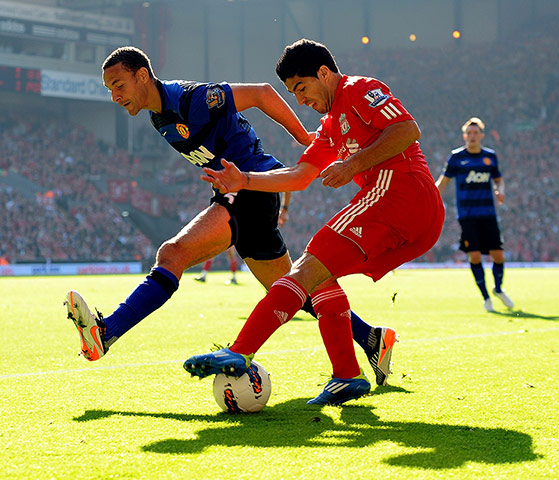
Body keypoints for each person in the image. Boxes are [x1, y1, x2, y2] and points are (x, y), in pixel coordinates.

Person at [64, 46, 388, 383]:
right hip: (243, 194)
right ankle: (371, 338)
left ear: (142, 75)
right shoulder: (158, 117)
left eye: (118, 85)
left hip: (249, 188)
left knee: (172, 254)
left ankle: (107, 333)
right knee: (291, 289)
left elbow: (262, 93)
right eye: (109, 89)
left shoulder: (194, 99)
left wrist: (304, 138)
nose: (115, 96)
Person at [184, 39, 444, 405]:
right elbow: (298, 176)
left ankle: (239, 351)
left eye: (301, 88)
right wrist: (245, 180)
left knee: (303, 269)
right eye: (293, 93)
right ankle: (347, 375)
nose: (300, 100)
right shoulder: (329, 128)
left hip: (400, 192)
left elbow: (407, 130)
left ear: (324, 73)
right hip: (407, 211)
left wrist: (353, 164)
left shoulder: (359, 89)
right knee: (321, 277)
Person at [436, 117, 514, 312]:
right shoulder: (456, 157)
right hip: (468, 215)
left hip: (488, 213)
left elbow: (498, 180)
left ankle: (498, 289)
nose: (472, 136)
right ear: (464, 136)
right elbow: (443, 182)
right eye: (468, 133)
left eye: (475, 133)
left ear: (481, 135)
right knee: (475, 256)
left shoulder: (490, 157)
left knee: (498, 255)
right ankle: (486, 297)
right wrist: (430, 198)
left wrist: (500, 190)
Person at [194, 193, 290, 284]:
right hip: (231, 224)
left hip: (235, 225)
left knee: (225, 253)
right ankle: (207, 275)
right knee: (218, 252)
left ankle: (231, 276)